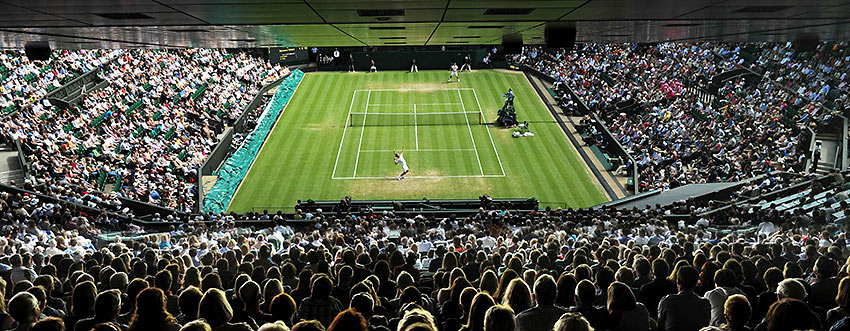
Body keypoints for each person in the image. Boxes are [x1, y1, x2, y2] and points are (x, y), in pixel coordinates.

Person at [657, 266, 711, 331]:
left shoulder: (667, 301)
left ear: (678, 281)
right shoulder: (705, 303)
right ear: (696, 282)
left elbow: (660, 326)